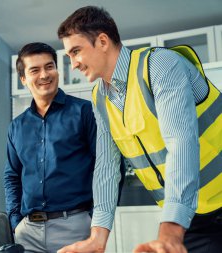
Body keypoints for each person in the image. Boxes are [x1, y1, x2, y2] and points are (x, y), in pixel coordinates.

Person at [56, 6, 222, 253]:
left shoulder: (159, 64)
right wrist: (97, 237)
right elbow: (106, 168)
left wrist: (170, 231)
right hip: (194, 216)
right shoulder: (99, 97)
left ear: (102, 41)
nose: (73, 64)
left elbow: (181, 143)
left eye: (76, 51)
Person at [4, 42, 97, 253]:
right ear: (23, 79)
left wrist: (95, 217)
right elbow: (12, 176)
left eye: (49, 66)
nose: (44, 75)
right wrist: (15, 221)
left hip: (75, 227)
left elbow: (107, 167)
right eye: (35, 70)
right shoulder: (16, 126)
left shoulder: (84, 112)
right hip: (27, 232)